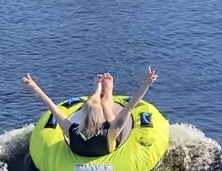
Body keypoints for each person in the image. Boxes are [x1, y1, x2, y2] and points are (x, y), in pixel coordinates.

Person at [22, 67, 159, 157]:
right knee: (114, 121)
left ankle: (98, 91)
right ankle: (106, 97)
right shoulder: (110, 131)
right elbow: (131, 106)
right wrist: (147, 83)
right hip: (108, 147)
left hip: (80, 150)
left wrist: (34, 87)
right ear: (101, 115)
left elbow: (52, 106)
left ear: (82, 113)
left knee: (112, 122)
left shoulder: (71, 129)